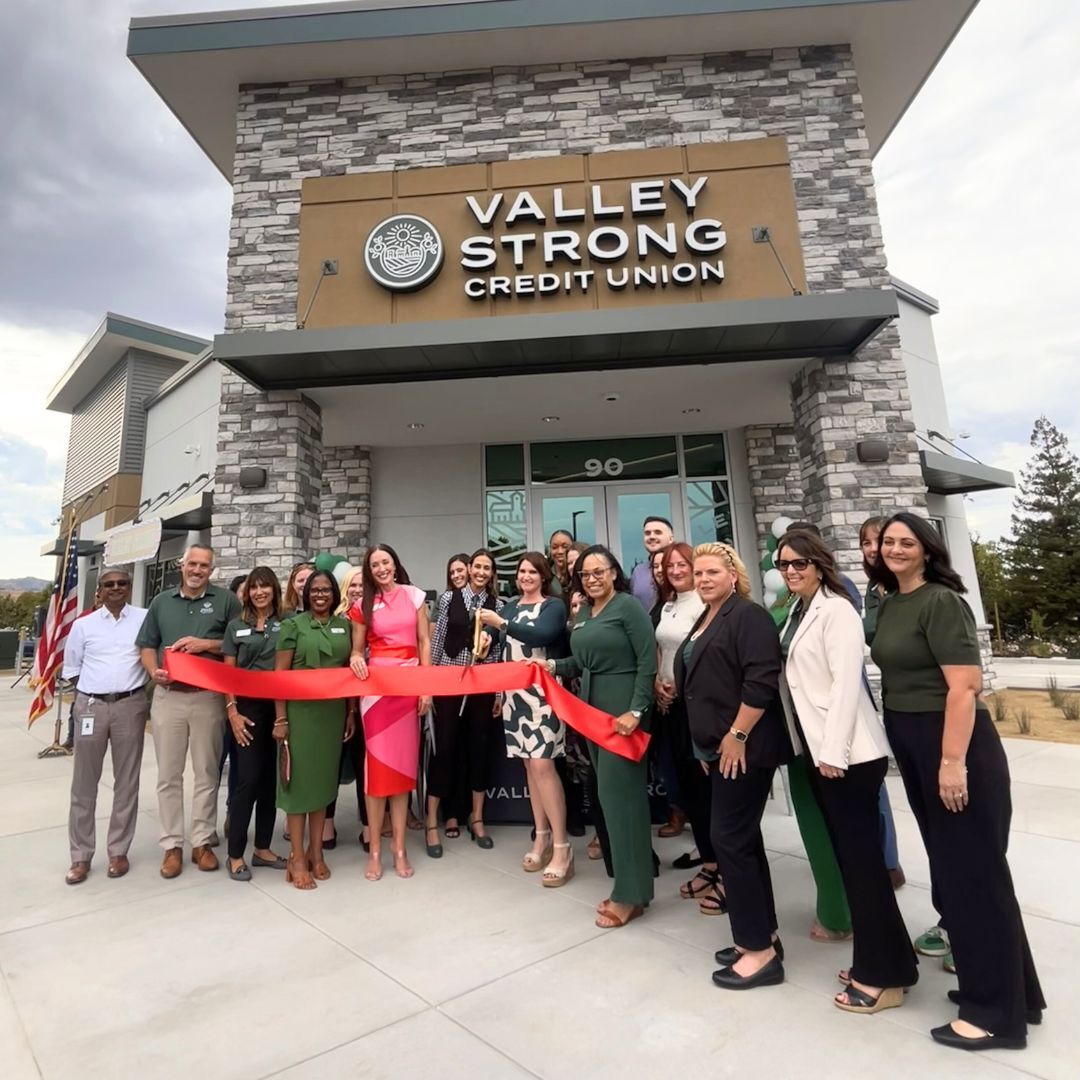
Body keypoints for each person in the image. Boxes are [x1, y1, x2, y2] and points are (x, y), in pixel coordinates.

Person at [870, 512, 1045, 1050]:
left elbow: (964, 689)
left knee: (974, 878)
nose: (894, 549)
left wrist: (951, 762)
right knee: (961, 873)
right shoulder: (891, 601)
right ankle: (1016, 994)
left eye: (906, 542)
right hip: (915, 741)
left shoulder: (941, 601)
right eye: (887, 542)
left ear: (927, 550)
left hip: (950, 745)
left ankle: (993, 1014)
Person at [776, 531, 918, 1012]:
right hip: (822, 753)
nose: (790, 571)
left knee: (862, 868)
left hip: (848, 756)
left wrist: (832, 753)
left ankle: (883, 978)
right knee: (854, 863)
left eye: (798, 563)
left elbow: (844, 688)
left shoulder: (836, 609)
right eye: (783, 565)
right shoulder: (800, 609)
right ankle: (890, 960)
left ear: (819, 564)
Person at [677, 542, 791, 989]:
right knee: (743, 841)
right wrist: (708, 748)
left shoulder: (747, 616)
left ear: (733, 574)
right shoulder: (706, 618)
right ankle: (763, 936)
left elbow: (761, 680)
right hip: (718, 751)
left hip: (745, 749)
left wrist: (735, 736)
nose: (704, 579)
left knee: (730, 841)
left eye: (712, 572)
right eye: (698, 573)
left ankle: (759, 953)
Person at [544, 545, 655, 928]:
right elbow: (582, 661)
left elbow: (647, 660)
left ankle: (631, 894)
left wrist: (637, 710)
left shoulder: (628, 607)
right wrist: (551, 664)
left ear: (613, 572)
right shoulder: (588, 612)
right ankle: (633, 886)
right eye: (586, 574)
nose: (592, 579)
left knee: (622, 802)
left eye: (599, 572)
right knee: (611, 802)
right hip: (593, 715)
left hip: (622, 714)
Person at [137, 544, 241, 878]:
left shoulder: (227, 601)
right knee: (168, 775)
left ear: (212, 569)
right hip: (169, 697)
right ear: (182, 565)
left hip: (208, 697)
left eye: (204, 566)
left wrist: (205, 644)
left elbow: (238, 640)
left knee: (207, 772)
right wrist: (155, 672)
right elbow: (147, 646)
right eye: (192, 564)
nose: (197, 570)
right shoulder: (161, 602)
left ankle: (201, 841)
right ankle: (172, 845)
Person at [479, 552, 573, 885]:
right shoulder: (510, 605)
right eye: (521, 571)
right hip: (514, 697)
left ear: (544, 576)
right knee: (529, 767)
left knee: (544, 765)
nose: (526, 576)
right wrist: (487, 638)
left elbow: (540, 637)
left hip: (545, 695)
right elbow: (500, 645)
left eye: (533, 571)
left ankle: (562, 846)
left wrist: (500, 624)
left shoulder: (553, 606)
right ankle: (542, 836)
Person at [348, 544, 431, 881]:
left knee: (401, 773)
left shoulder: (415, 597)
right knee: (376, 774)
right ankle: (376, 852)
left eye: (386, 562)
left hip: (408, 688)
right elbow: (357, 650)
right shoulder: (361, 605)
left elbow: (424, 642)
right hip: (376, 693)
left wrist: (426, 687)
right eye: (375, 565)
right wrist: (355, 658)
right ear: (369, 571)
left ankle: (399, 848)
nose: (381, 568)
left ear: (395, 565)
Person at [62, 568, 148, 885]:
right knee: (84, 784)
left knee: (127, 782)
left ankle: (118, 851)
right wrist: (92, 694)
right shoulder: (83, 625)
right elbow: (72, 668)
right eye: (109, 584)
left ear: (130, 587)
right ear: (99, 589)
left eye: (121, 584)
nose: (115, 588)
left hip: (130, 705)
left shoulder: (143, 618)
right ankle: (81, 856)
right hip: (91, 706)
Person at [273, 571, 356, 890]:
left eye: (326, 590)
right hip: (299, 715)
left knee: (322, 786)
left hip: (331, 715)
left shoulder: (343, 625)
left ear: (335, 595)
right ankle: (296, 856)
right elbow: (279, 676)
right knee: (298, 788)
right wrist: (281, 720)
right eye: (315, 590)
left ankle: (316, 852)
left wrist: (349, 712)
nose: (321, 594)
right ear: (306, 594)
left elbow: (349, 672)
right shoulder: (293, 626)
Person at [653, 542, 718, 906]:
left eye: (682, 564)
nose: (676, 570)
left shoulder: (704, 603)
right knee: (687, 787)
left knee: (705, 788)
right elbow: (663, 648)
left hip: (697, 706)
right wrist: (657, 684)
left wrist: (679, 684)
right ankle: (708, 862)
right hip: (669, 706)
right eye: (668, 565)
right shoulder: (669, 605)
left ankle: (718, 864)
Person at [427, 549, 503, 851]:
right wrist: (429, 684)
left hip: (482, 686)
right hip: (449, 680)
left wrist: (498, 691)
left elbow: (497, 652)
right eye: (478, 567)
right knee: (444, 749)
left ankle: (477, 817)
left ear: (492, 573)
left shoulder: (498, 606)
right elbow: (437, 642)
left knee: (479, 750)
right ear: (469, 569)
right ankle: (434, 819)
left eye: (488, 568)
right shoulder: (449, 599)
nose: (482, 572)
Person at [221, 566, 288, 881]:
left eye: (266, 587)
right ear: (247, 592)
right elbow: (228, 674)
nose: (260, 592)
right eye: (254, 588)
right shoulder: (236, 626)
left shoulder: (286, 624)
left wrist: (283, 716)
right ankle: (235, 854)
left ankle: (262, 848)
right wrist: (232, 712)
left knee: (269, 784)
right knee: (246, 781)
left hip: (278, 708)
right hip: (245, 711)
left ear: (275, 590)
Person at [325, 566, 369, 851]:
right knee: (331, 763)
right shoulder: (334, 619)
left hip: (369, 702)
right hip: (337, 703)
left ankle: (368, 826)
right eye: (353, 585)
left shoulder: (374, 616)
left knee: (364, 764)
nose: (357, 590)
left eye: (363, 586)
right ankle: (327, 823)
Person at [629, 516, 674, 611]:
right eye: (647, 533)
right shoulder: (638, 572)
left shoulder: (682, 568)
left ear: (671, 539)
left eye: (658, 532)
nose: (652, 537)